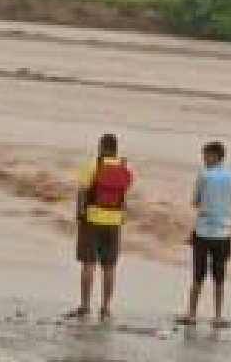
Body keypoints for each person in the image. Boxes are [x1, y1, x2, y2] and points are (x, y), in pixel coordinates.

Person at [67, 133, 134, 321]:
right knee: (109, 266)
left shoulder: (93, 166)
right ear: (116, 149)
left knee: (88, 264)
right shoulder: (124, 168)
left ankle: (85, 305)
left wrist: (80, 214)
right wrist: (122, 217)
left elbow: (82, 192)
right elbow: (123, 196)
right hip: (114, 221)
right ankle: (105, 308)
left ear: (101, 147)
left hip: (92, 219)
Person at [178, 141, 231, 328]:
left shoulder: (204, 175)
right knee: (220, 276)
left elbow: (196, 202)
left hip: (204, 231)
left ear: (215, 155)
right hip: (224, 232)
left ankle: (191, 314)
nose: (204, 159)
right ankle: (218, 316)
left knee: (198, 274)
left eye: (206, 155)